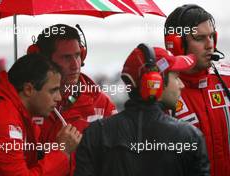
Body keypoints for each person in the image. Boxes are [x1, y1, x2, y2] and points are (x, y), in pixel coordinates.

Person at [74, 44, 210, 176]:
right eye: (176, 77)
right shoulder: (190, 137)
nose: (181, 85)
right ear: (155, 82)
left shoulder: (95, 134)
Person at [0, 54, 81, 175]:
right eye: (53, 90)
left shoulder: (14, 113)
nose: (59, 98)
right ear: (28, 90)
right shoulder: (2, 121)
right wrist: (62, 152)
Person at [27, 24, 116, 175]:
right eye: (66, 57)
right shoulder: (26, 102)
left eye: (78, 55)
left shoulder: (101, 103)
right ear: (43, 60)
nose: (76, 65)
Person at [164, 4, 230, 176]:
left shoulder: (227, 79)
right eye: (200, 38)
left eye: (211, 36)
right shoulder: (161, 92)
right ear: (177, 44)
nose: (210, 45)